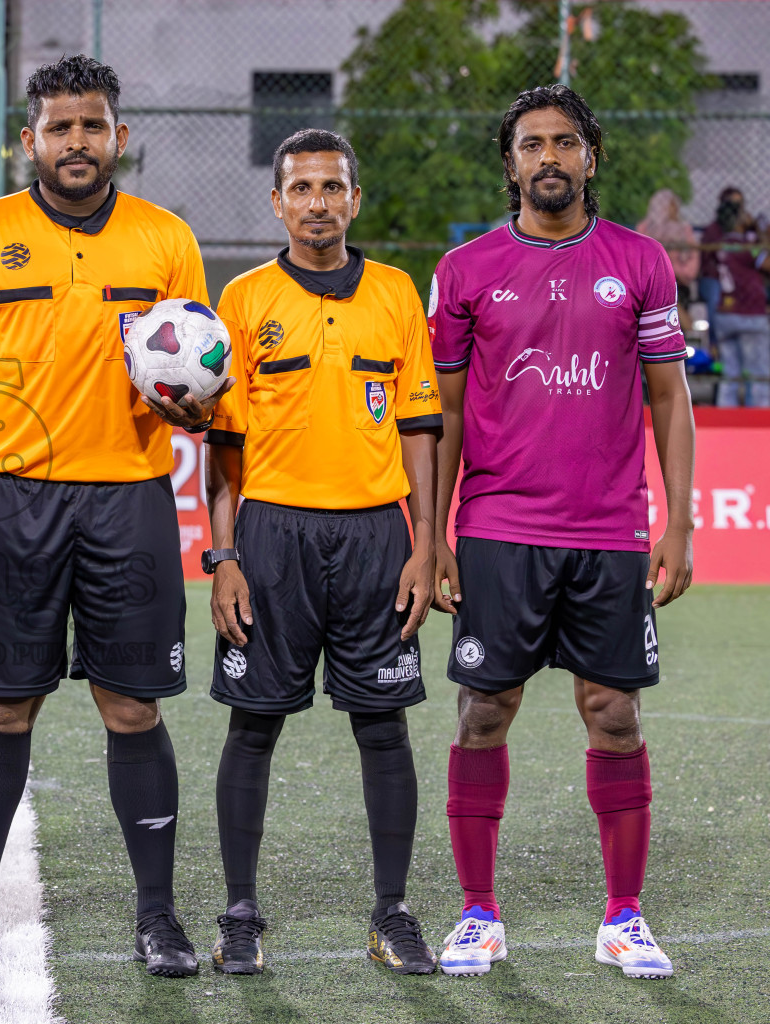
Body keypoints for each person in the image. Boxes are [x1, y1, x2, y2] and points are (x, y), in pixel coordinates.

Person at [0, 54, 211, 978]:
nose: (76, 141)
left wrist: (193, 402)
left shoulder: (166, 237)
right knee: (5, 708)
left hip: (130, 497)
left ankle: (157, 917)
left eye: (93, 125)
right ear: (29, 140)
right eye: (59, 127)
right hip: (8, 499)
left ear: (118, 138)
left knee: (133, 707)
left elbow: (194, 363)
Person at [428, 85, 695, 980]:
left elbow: (670, 398)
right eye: (532, 144)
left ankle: (623, 917)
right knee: (483, 714)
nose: (550, 157)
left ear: (592, 157)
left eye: (566, 142)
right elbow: (448, 413)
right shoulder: (466, 270)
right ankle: (478, 914)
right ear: (510, 164)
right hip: (500, 528)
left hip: (611, 532)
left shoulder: (642, 261)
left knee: (613, 714)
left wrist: (680, 521)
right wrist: (435, 534)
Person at [203, 128, 441, 976]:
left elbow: (420, 430)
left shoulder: (396, 293)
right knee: (254, 722)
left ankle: (392, 911)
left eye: (332, 188)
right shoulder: (242, 299)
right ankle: (239, 915)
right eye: (300, 188)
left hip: (377, 534)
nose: (317, 203)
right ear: (277, 202)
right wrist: (222, 557)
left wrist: (425, 545)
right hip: (271, 536)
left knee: (384, 725)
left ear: (354, 200)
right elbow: (221, 450)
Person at [699, 187, 770, 407]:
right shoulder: (748, 246)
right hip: (750, 314)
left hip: (725, 313)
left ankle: (725, 417)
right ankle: (759, 420)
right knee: (757, 372)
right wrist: (760, 232)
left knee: (730, 373)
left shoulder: (721, 243)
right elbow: (766, 263)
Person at [635, 188, 697, 318]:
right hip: (649, 281)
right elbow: (638, 258)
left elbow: (693, 258)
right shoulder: (644, 228)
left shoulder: (684, 229)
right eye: (670, 206)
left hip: (678, 281)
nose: (675, 210)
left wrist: (679, 273)